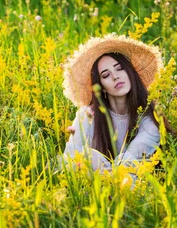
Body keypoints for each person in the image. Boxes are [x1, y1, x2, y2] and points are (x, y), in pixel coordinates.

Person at [61, 33, 168, 173]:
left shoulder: (149, 119)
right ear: (101, 87)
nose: (115, 76)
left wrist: (103, 172)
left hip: (133, 185)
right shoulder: (88, 115)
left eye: (120, 68)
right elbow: (69, 157)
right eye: (106, 75)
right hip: (93, 186)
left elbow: (130, 163)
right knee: (89, 156)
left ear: (130, 72)